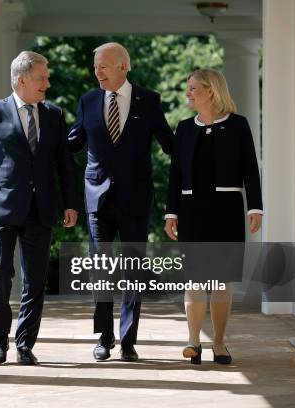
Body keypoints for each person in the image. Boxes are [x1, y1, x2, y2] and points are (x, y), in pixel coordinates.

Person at [0, 51, 79, 365]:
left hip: (41, 209)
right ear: (21, 80)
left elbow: (64, 163)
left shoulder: (53, 114)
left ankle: (25, 344)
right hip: (1, 207)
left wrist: (71, 203)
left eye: (47, 78)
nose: (47, 84)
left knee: (35, 279)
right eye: (42, 78)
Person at [68, 42, 173, 362]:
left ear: (123, 66)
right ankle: (103, 337)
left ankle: (128, 339)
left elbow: (170, 144)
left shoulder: (150, 100)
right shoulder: (87, 101)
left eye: (103, 65)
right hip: (97, 196)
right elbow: (73, 141)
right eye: (95, 66)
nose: (97, 71)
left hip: (136, 197)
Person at [164, 68, 263, 365]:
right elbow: (176, 174)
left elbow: (250, 169)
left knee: (220, 283)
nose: (188, 93)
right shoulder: (184, 128)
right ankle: (194, 342)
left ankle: (219, 343)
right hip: (192, 212)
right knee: (193, 280)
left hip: (227, 212)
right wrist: (171, 213)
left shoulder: (238, 125)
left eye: (193, 88)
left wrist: (255, 207)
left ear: (211, 91)